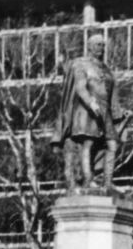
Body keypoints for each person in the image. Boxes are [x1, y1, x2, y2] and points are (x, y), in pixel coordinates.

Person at [50, 34, 126, 193]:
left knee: (112, 144)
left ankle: (107, 183)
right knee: (88, 144)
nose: (101, 48)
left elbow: (111, 92)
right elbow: (80, 88)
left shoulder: (105, 69)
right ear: (89, 46)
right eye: (98, 45)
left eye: (103, 45)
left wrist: (118, 110)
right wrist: (91, 103)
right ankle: (88, 180)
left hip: (105, 112)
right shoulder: (80, 65)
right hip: (87, 111)